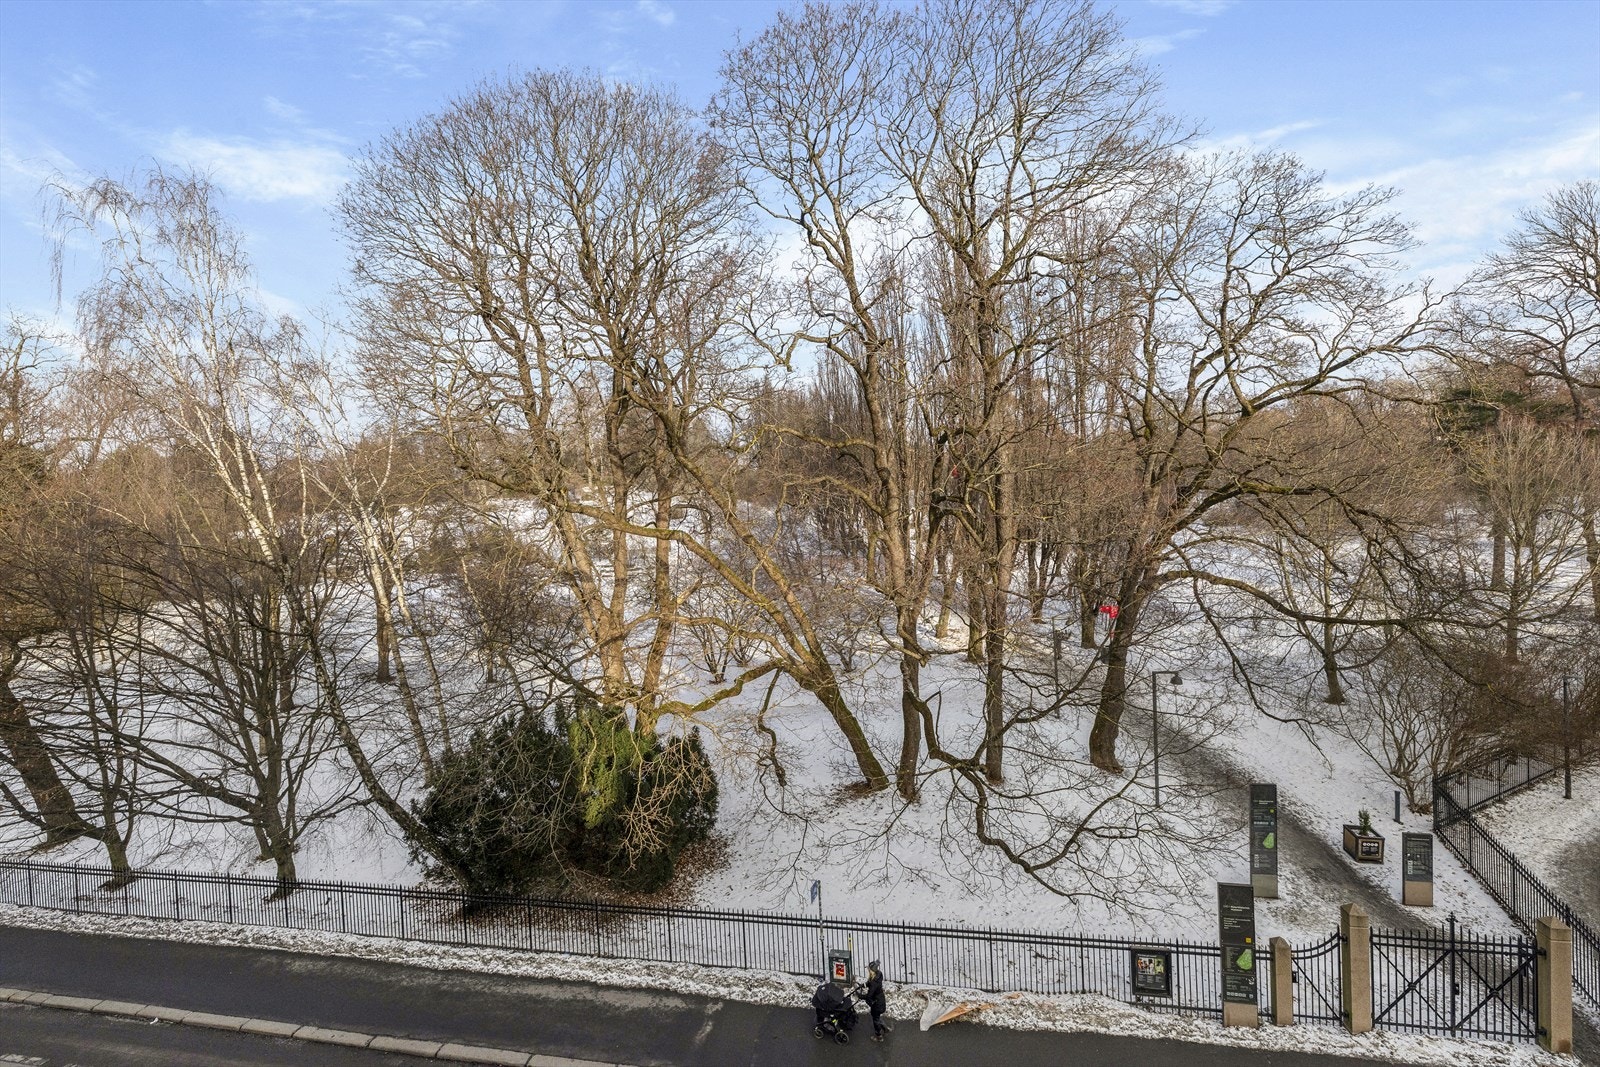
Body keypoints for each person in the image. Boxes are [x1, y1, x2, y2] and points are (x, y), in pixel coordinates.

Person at [863, 960, 888, 1041]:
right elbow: (870, 982)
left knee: (875, 1019)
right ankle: (885, 1028)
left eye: (869, 969)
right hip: (880, 1000)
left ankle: (879, 1036)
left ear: (872, 970)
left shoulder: (874, 983)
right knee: (877, 1017)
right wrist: (865, 984)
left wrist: (860, 996)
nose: (868, 970)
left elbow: (869, 995)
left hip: (877, 1004)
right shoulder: (878, 975)